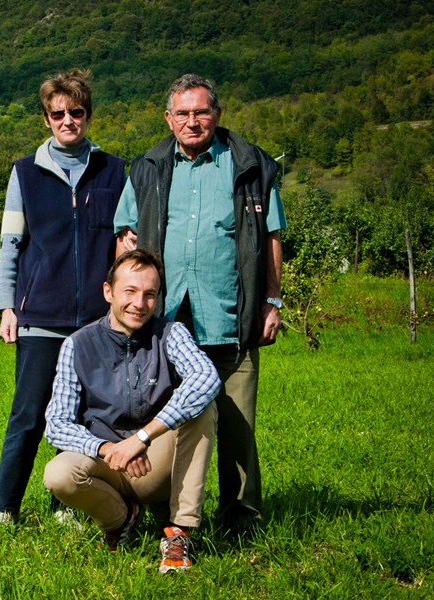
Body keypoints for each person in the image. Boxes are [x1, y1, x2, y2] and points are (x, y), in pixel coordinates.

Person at [114, 73, 287, 532]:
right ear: (169, 119)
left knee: (236, 429)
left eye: (202, 112)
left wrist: (272, 299)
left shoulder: (251, 166)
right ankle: (156, 513)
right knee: (158, 423)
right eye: (183, 113)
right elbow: (127, 238)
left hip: (231, 316)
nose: (193, 121)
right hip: (164, 321)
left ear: (217, 115)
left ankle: (240, 520)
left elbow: (270, 237)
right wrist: (124, 305)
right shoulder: (147, 167)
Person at [0, 69, 125, 525]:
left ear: (88, 115)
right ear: (46, 119)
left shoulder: (114, 170)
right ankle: (3, 508)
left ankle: (67, 508)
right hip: (40, 317)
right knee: (28, 416)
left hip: (94, 321)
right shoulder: (24, 173)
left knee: (84, 418)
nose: (68, 120)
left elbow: (124, 243)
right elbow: (11, 244)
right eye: (58, 113)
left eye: (77, 112)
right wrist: (7, 306)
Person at [43, 249, 219, 573]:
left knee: (204, 408)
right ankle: (120, 519)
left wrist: (142, 437)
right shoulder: (78, 344)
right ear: (108, 291)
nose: (140, 303)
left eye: (150, 294)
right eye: (130, 291)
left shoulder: (170, 333)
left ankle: (180, 532)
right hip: (106, 462)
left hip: (155, 463)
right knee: (57, 474)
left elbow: (207, 378)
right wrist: (107, 448)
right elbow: (56, 423)